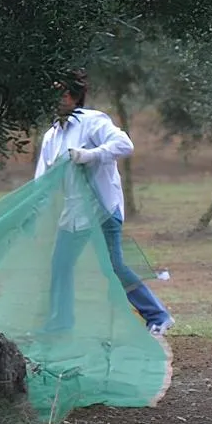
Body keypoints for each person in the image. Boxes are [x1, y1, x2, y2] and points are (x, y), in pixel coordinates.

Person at [33, 71, 172, 337]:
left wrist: (91, 155)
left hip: (103, 208)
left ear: (75, 96)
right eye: (55, 93)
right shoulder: (52, 135)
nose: (59, 98)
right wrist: (34, 210)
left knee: (114, 266)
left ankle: (158, 315)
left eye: (64, 93)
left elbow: (124, 144)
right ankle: (60, 322)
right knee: (60, 265)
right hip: (73, 213)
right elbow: (43, 179)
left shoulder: (92, 121)